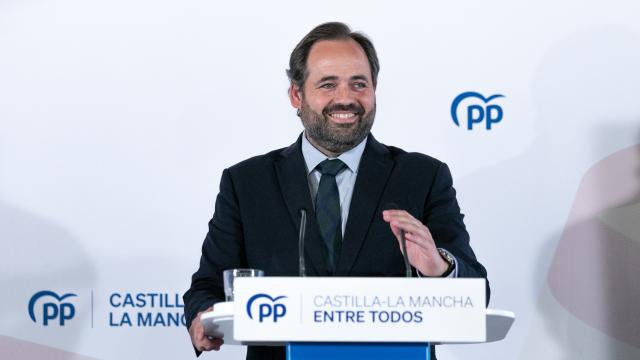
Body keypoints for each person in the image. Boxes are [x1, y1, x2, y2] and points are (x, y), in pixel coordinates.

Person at [184, 22, 489, 360]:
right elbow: (207, 287)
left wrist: (439, 268)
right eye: (328, 85)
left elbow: (477, 292)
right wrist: (202, 317)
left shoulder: (423, 176)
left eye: (359, 84)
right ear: (296, 95)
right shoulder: (247, 183)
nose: (346, 98)